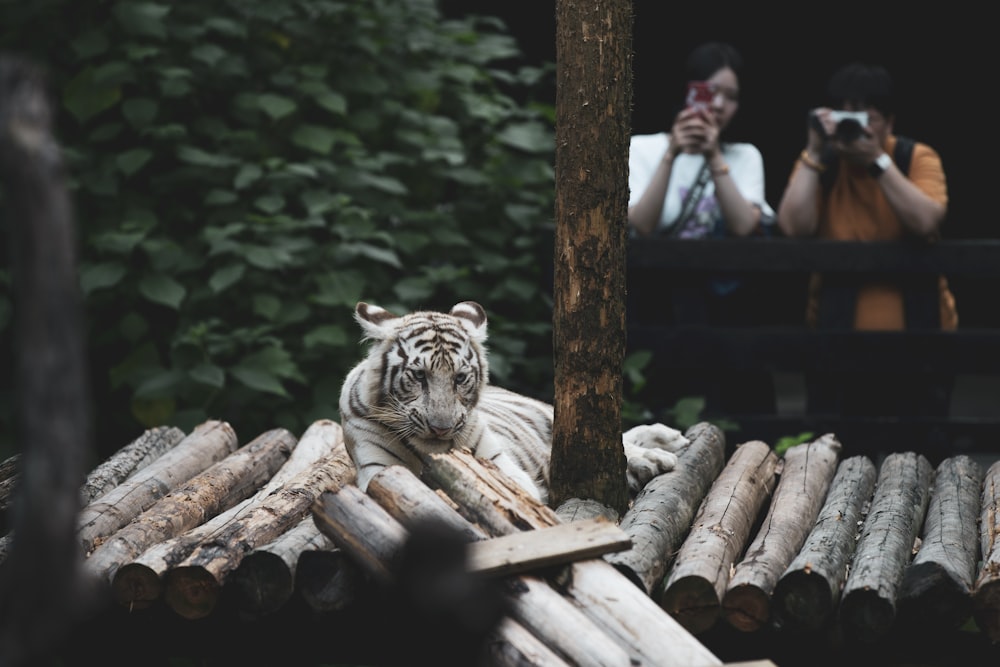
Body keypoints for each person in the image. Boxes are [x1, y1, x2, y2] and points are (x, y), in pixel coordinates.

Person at [776, 62, 956, 416]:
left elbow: (925, 221)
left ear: (889, 123)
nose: (852, 127)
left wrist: (877, 160)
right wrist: (814, 152)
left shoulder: (915, 157)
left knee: (922, 457)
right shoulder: (821, 162)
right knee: (835, 456)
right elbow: (794, 227)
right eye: (846, 115)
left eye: (865, 118)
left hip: (920, 345)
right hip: (833, 343)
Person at [627, 41, 777, 414]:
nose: (720, 105)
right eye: (710, 93)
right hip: (657, 306)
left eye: (732, 96)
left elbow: (744, 226)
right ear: (687, 91)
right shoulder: (643, 148)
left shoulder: (745, 156)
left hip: (724, 306)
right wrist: (672, 153)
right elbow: (642, 224)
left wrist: (713, 156)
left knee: (729, 403)